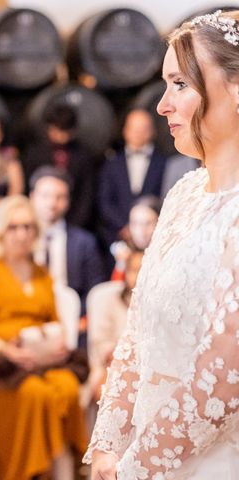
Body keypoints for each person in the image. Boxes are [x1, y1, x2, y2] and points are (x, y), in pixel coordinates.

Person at [86, 10, 239, 479]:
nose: (162, 105)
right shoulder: (182, 194)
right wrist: (109, 439)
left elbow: (227, 368)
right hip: (143, 445)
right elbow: (138, 329)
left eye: (180, 84)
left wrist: (138, 465)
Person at [0, 195, 86, 480]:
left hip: (38, 357)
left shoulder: (42, 272)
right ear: (1, 232)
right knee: (34, 394)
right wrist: (7, 351)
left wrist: (57, 347)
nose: (22, 234)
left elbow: (54, 321)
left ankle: (68, 465)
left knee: (66, 387)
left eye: (29, 227)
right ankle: (30, 471)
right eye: (14, 227)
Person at [29, 166, 106, 322]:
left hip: (72, 319)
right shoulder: (20, 239)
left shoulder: (84, 242)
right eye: (45, 196)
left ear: (68, 201)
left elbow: (95, 290)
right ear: (32, 197)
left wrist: (77, 317)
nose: (52, 203)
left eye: (59, 197)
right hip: (27, 316)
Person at [96, 109, 167, 249]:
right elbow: (104, 201)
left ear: (153, 131)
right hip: (118, 236)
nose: (138, 133)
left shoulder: (164, 162)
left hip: (155, 236)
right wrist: (127, 227)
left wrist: (147, 227)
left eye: (144, 129)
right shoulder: (111, 163)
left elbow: (165, 196)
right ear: (125, 131)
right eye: (134, 129)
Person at [22, 104, 97, 229]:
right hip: (37, 221)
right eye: (57, 130)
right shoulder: (35, 153)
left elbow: (86, 194)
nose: (61, 136)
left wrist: (74, 225)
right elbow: (27, 189)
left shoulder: (83, 156)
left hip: (74, 221)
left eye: (65, 131)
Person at [86, 249, 143, 404]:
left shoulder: (160, 307)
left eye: (144, 270)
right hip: (112, 366)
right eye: (134, 270)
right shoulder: (109, 299)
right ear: (126, 272)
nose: (139, 276)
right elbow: (100, 343)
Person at [109, 195, 161, 281]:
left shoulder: (166, 254)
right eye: (135, 223)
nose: (141, 231)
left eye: (148, 223)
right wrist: (121, 264)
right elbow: (117, 286)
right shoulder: (125, 251)